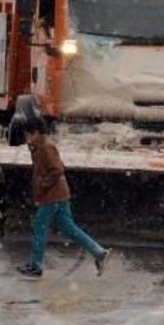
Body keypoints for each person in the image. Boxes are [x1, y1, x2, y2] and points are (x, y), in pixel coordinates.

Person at [17, 118, 110, 279]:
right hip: (59, 194)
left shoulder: (46, 147)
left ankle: (36, 266)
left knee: (39, 225)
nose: (26, 138)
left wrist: (42, 186)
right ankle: (99, 253)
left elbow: (57, 169)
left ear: (36, 133)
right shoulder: (40, 146)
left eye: (28, 134)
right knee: (69, 229)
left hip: (53, 195)